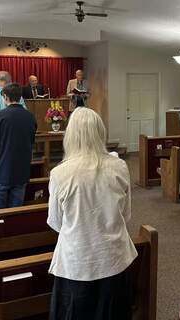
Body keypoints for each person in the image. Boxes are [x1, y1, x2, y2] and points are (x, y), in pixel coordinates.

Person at [47, 107, 137, 320]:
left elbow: (56, 223)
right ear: (100, 133)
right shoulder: (119, 166)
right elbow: (125, 214)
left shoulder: (60, 173)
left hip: (77, 261)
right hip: (114, 259)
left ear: (70, 136)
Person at [0, 83, 37, 209]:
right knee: (15, 216)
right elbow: (30, 144)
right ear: (20, 97)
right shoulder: (30, 117)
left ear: (5, 96)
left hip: (1, 173)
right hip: (21, 173)